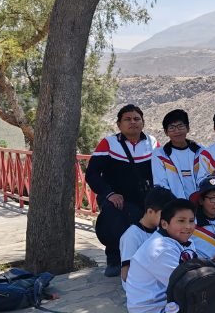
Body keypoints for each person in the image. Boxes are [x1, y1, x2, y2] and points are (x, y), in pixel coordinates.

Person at [86, 104, 159, 277]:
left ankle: (145, 261)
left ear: (143, 122)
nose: (132, 122)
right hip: (116, 197)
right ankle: (114, 258)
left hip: (144, 196)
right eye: (127, 119)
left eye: (136, 119)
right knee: (116, 221)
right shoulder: (109, 143)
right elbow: (92, 174)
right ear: (119, 124)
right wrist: (109, 194)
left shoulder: (152, 142)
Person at [124, 198, 198, 313]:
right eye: (181, 221)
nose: (188, 226)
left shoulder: (185, 241)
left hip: (168, 302)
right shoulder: (161, 249)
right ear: (164, 224)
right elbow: (188, 284)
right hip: (152, 309)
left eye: (191, 220)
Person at [119, 186, 175, 282]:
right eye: (164, 215)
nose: (167, 219)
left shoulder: (160, 230)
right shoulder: (132, 235)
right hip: (143, 292)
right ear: (150, 211)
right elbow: (125, 274)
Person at [152, 109, 204, 199]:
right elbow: (161, 184)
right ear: (166, 132)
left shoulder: (201, 151)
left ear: (188, 128)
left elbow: (205, 178)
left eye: (180, 126)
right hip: (174, 207)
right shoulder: (159, 154)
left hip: (201, 206)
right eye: (172, 127)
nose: (177, 131)